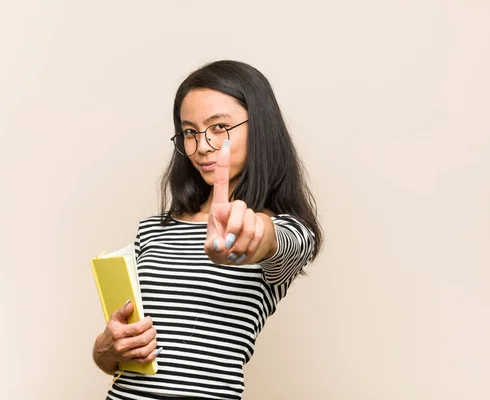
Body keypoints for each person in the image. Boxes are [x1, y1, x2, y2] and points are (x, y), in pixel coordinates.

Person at [92, 60, 323, 400]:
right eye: (189, 131)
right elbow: (117, 360)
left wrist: (248, 231)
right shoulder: (154, 230)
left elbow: (273, 242)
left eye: (218, 127)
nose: (202, 146)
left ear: (260, 128)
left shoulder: (289, 230)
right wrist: (105, 349)